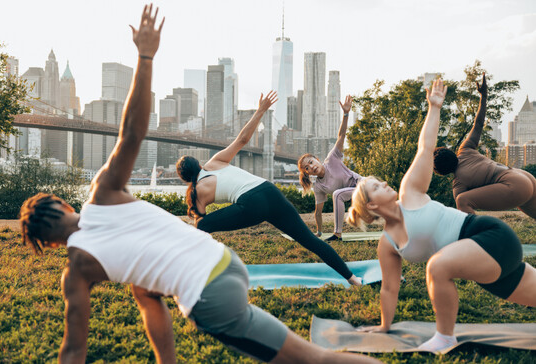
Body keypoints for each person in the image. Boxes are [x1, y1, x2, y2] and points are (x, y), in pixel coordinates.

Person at [19, 6, 381, 364]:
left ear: (47, 243)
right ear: (65, 205)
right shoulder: (104, 194)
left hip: (210, 294)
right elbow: (133, 132)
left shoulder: (78, 270)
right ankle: (350, 277)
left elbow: (72, 351)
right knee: (151, 285)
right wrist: (145, 56)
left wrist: (200, 220)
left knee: (308, 357)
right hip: (228, 261)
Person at [347, 79, 536, 352]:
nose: (385, 184)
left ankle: (444, 338)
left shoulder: (409, 192)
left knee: (436, 266)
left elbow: (425, 148)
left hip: (489, 236)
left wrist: (434, 107)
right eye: (376, 187)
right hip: (488, 265)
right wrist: (384, 326)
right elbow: (389, 288)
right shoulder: (387, 244)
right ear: (372, 206)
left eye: (380, 181)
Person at [176, 93, 362, 287]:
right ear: (198, 164)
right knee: (309, 240)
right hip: (270, 192)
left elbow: (201, 227)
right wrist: (261, 110)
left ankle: (204, 273)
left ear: (186, 179)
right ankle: (352, 278)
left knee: (201, 227)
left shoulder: (197, 192)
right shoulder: (214, 162)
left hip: (251, 204)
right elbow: (242, 140)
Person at [433, 73, 536, 219]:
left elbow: (460, 212)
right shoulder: (466, 149)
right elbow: (479, 123)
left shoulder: (459, 185)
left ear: (441, 172)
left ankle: (479, 236)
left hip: (515, 186)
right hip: (523, 176)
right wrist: (484, 96)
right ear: (451, 152)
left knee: (462, 200)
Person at [297, 95, 363, 241]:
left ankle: (337, 235)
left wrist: (346, 114)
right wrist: (319, 233)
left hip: (363, 185)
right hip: (355, 195)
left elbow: (341, 135)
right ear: (307, 174)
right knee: (338, 194)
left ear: (317, 159)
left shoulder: (332, 158)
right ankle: (337, 234)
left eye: (311, 162)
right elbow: (318, 212)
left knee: (338, 194)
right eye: (307, 168)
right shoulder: (319, 186)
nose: (311, 167)